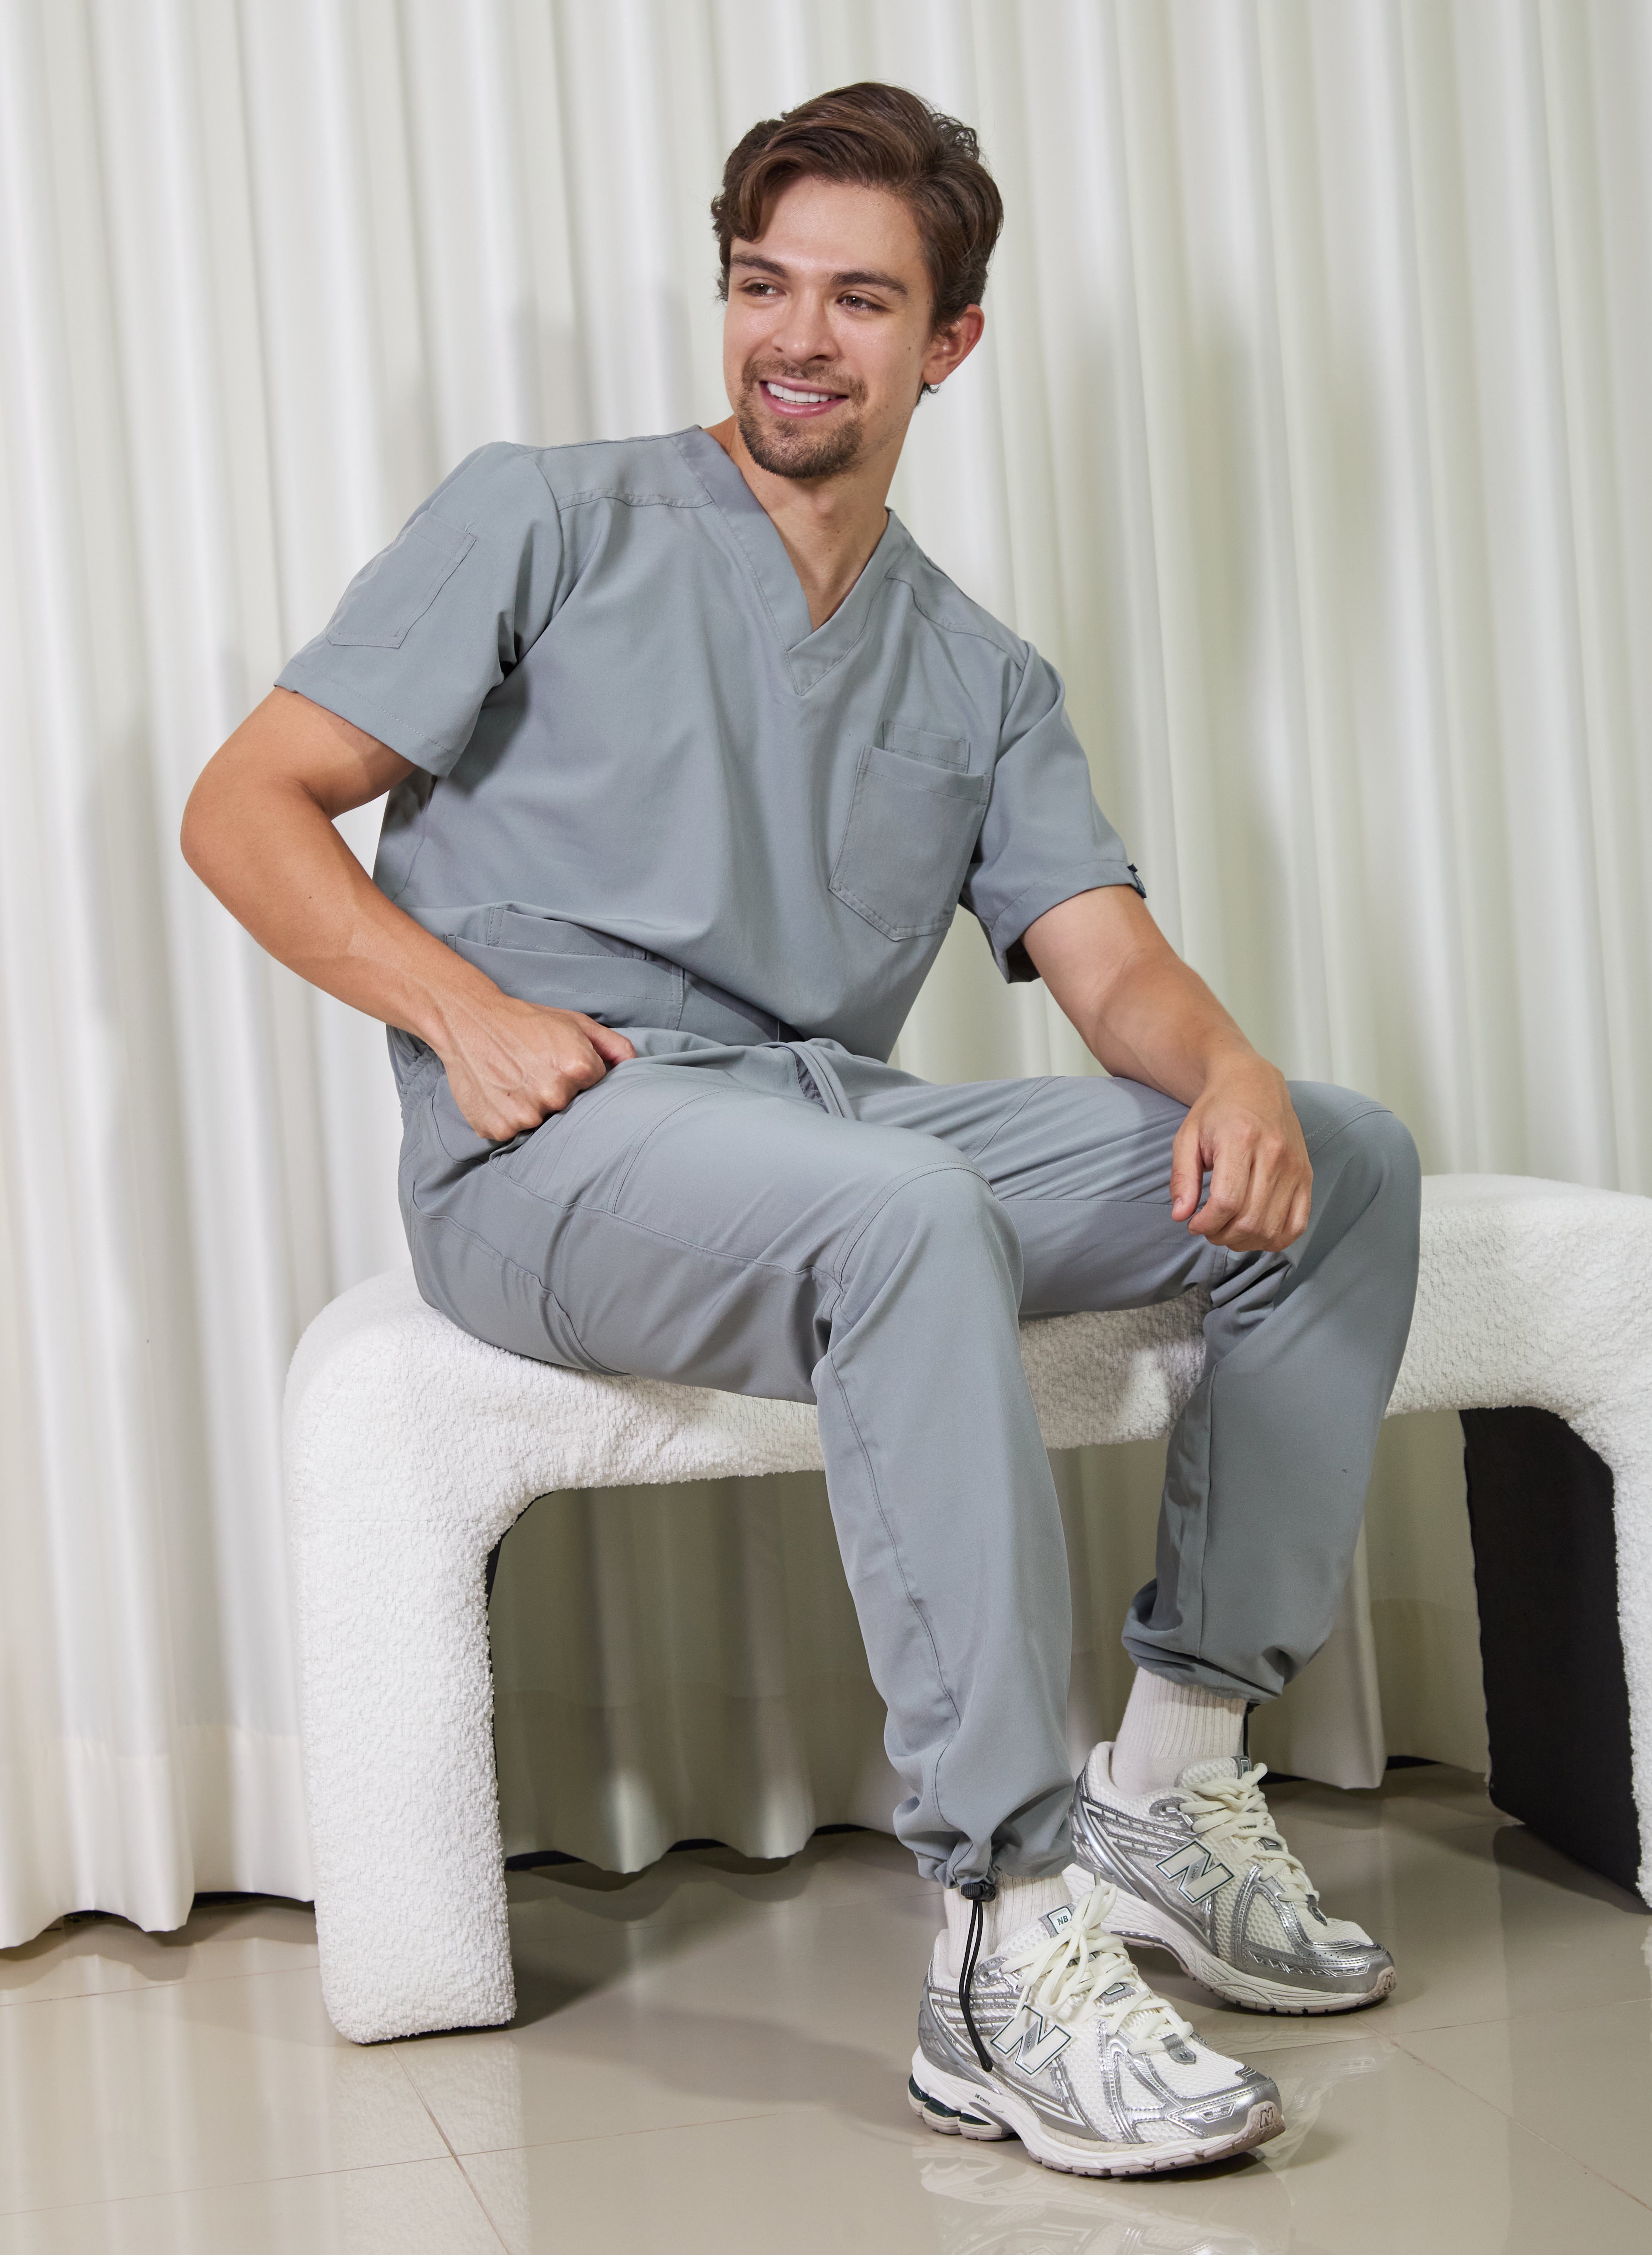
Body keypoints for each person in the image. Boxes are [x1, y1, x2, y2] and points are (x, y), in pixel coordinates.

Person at [183, 81, 1419, 2178]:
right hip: (555, 1155)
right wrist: (460, 1010)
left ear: (950, 343)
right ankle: (1001, 1931)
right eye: (765, 284)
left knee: (1340, 1152)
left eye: (859, 299)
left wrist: (1225, 1068)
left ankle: (1177, 1775)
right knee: (905, 1208)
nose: (795, 338)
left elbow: (1108, 960)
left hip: (818, 1130)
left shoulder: (980, 673)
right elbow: (243, 803)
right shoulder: (546, 517)